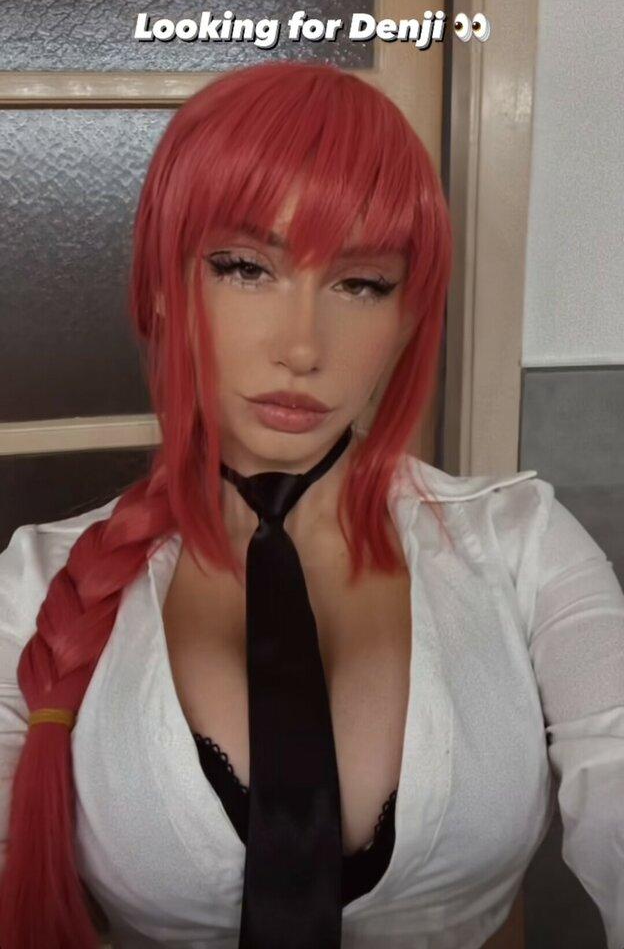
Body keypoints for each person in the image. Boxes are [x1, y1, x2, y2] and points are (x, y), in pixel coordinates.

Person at [0, 61, 622, 949]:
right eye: (245, 268)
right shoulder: (35, 588)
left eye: (362, 284)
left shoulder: (522, 544)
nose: (302, 347)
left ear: (408, 315)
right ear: (164, 285)